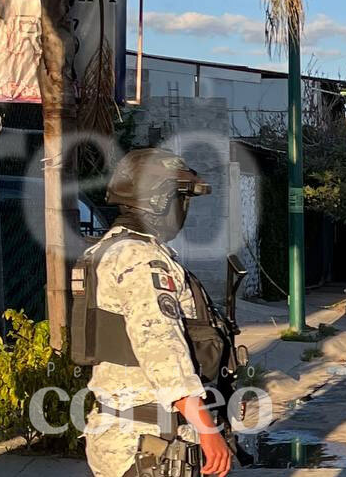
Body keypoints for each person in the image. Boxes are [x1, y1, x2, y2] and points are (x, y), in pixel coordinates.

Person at [75, 149, 232, 477]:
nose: (184, 208)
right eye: (181, 198)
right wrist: (206, 428)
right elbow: (162, 348)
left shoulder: (106, 249)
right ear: (160, 201)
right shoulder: (142, 260)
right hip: (148, 439)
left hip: (124, 431)